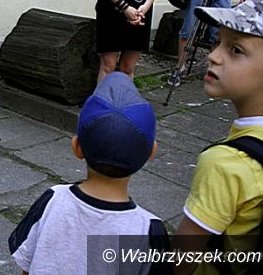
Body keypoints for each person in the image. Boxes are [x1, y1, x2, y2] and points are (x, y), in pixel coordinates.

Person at [9, 72, 170, 274]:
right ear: (151, 153)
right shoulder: (149, 231)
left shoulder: (52, 200)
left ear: (77, 147)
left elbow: (27, 264)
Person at [173, 0, 263, 275]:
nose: (213, 55)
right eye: (217, 42)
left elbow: (181, 260)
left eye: (235, 49)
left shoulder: (225, 163)